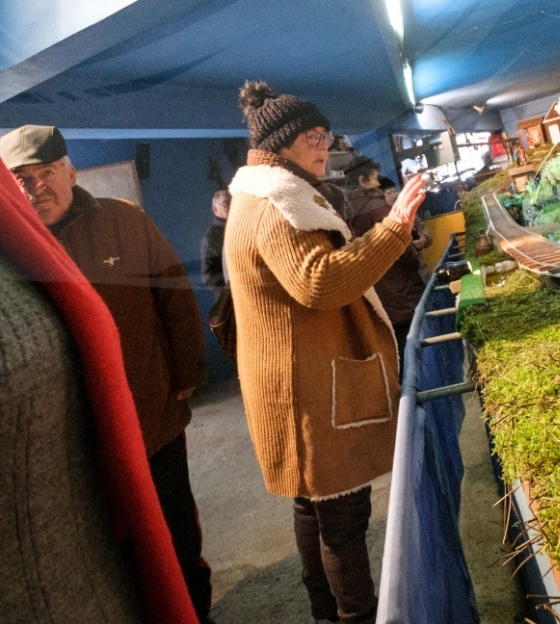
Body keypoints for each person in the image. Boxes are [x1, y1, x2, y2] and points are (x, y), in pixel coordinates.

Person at [225, 81, 426, 624]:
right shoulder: (276, 204)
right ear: (284, 142)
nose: (325, 146)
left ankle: (326, 612)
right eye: (316, 137)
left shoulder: (267, 194)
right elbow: (319, 283)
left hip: (297, 379)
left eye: (326, 136)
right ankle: (356, 616)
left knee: (313, 508)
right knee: (341, 516)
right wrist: (395, 229)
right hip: (308, 390)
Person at [0, 125, 212, 622]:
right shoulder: (11, 255)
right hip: (72, 447)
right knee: (106, 548)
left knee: (176, 532)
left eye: (47, 172)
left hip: (150, 418)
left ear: (71, 171)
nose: (38, 187)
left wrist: (185, 373)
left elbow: (174, 296)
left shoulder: (123, 220)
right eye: (22, 179)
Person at [348, 175, 431, 361]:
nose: (377, 183)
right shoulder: (378, 210)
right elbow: (407, 256)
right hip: (403, 296)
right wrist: (413, 252)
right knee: (418, 352)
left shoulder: (354, 213)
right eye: (375, 178)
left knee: (405, 353)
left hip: (388, 299)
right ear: (362, 180)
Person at [202, 189, 231, 291]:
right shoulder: (211, 238)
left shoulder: (241, 230)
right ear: (215, 209)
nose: (231, 206)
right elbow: (209, 278)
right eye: (226, 204)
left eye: (233, 202)